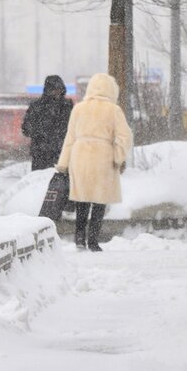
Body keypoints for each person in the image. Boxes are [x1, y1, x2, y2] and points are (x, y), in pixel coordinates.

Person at [55, 73, 131, 251]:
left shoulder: (79, 109)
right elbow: (124, 137)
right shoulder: (113, 110)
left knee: (82, 199)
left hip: (79, 156)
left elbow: (70, 137)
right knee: (99, 200)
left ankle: (79, 237)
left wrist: (63, 163)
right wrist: (118, 156)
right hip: (102, 157)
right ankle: (93, 241)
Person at [22, 75, 73, 170]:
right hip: (42, 155)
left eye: (59, 89)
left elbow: (74, 128)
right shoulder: (36, 106)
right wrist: (42, 134)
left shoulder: (68, 106)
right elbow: (26, 129)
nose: (57, 92)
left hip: (61, 154)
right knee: (40, 182)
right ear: (48, 90)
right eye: (54, 89)